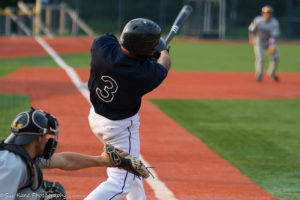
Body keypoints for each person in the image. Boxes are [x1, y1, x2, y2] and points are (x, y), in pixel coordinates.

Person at [86, 18, 171, 200]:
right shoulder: (144, 75)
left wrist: (148, 53)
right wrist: (163, 52)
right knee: (120, 184)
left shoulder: (101, 48)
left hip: (96, 117)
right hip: (120, 130)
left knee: (132, 170)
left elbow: (113, 41)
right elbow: (164, 64)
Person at [0, 107, 127, 200]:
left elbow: (65, 160)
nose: (47, 140)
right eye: (45, 137)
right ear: (39, 139)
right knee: (50, 196)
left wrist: (102, 160)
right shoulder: (13, 166)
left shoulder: (24, 156)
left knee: (52, 193)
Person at [248, 5, 280, 82]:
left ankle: (272, 73)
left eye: (269, 13)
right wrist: (251, 39)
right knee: (260, 58)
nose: (267, 14)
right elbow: (251, 30)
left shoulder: (274, 23)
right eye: (266, 13)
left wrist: (272, 46)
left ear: (272, 14)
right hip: (258, 40)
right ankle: (259, 75)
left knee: (276, 58)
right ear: (263, 13)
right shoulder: (258, 20)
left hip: (269, 41)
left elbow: (273, 36)